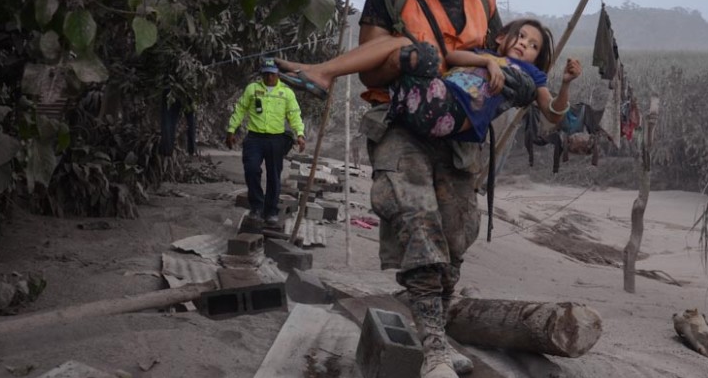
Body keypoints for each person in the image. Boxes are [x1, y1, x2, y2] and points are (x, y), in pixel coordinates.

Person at [356, 0, 576, 378]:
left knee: (456, 233)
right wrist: (405, 59)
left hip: (460, 138)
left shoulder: (485, 4)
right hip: (401, 123)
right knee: (417, 222)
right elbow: (370, 66)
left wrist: (523, 82)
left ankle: (439, 332)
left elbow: (500, 69)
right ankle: (432, 345)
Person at [277, 18, 581, 143]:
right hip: (428, 99)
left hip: (449, 114)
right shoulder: (485, 55)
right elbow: (452, 57)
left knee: (406, 47)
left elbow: (553, 113)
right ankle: (321, 71)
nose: (525, 45)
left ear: (537, 58)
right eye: (522, 37)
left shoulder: (531, 75)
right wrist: (488, 60)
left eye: (533, 46)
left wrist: (565, 83)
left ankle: (323, 72)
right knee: (404, 47)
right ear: (501, 37)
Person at [225, 57, 307, 228]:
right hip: (254, 138)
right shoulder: (252, 89)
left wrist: (300, 134)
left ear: (278, 74)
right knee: (251, 169)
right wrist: (231, 129)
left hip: (275, 140)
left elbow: (294, 114)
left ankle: (271, 211)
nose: (269, 77)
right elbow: (240, 109)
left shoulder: (286, 93)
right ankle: (256, 207)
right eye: (266, 74)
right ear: (262, 74)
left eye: (272, 74)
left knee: (274, 176)